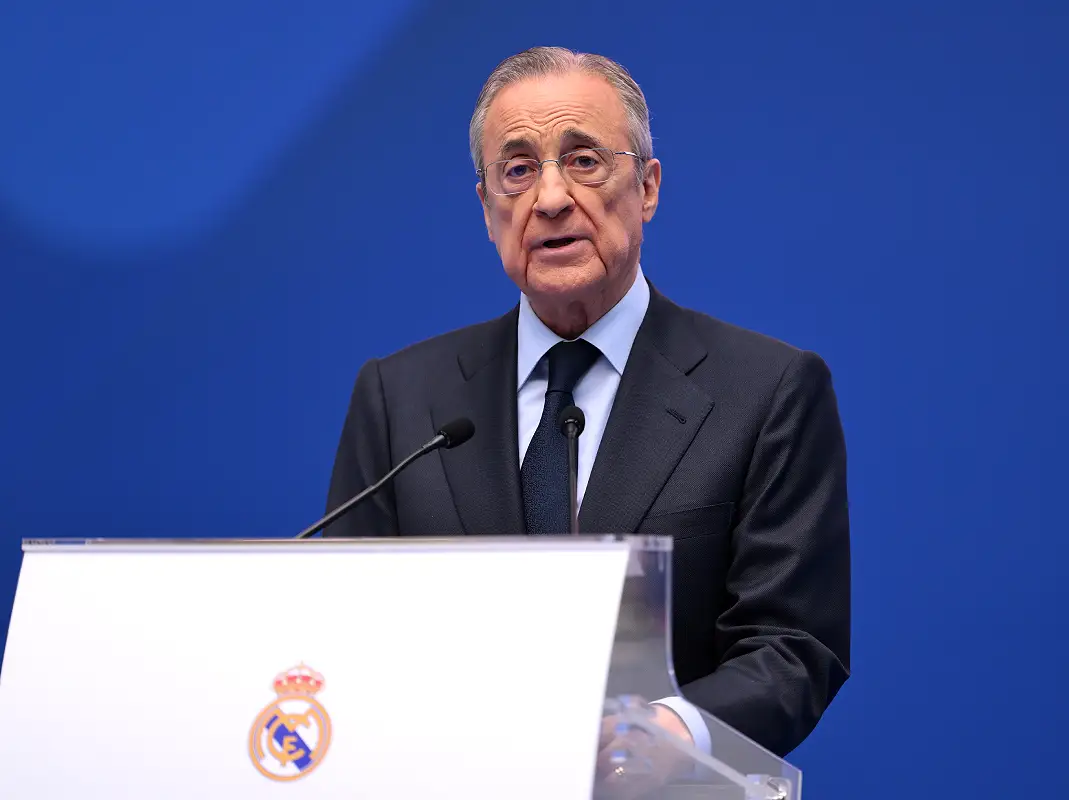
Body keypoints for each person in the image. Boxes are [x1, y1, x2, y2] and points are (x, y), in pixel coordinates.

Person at [324, 46, 851, 760]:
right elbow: (343, 635)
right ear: (486, 209)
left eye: (584, 160)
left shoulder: (768, 391)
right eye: (516, 169)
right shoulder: (400, 398)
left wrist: (664, 735)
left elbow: (793, 648)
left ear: (649, 187)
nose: (548, 199)